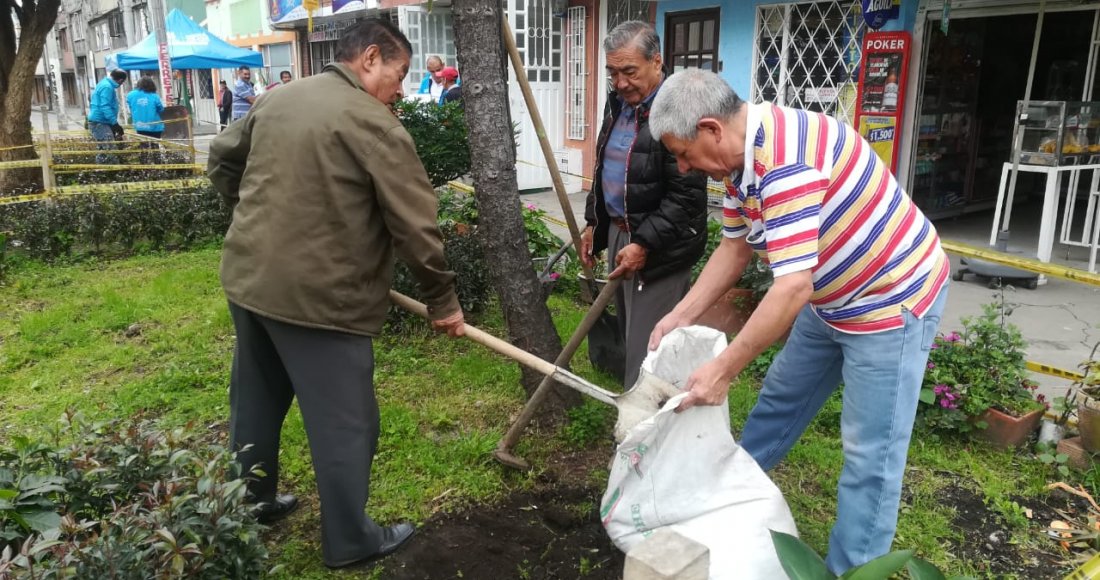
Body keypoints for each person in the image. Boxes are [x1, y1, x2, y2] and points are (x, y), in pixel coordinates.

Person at [645, 68, 950, 574]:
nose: (682, 168)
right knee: (778, 403)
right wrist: (678, 315)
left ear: (711, 129)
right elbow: (736, 247)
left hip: (889, 302)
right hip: (829, 298)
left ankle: (852, 571)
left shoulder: (786, 164)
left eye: (682, 153)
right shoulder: (739, 164)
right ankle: (722, 507)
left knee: (869, 456)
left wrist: (723, 369)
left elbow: (791, 287)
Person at [207, 18, 466, 569]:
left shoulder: (279, 98)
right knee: (346, 423)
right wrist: (442, 301)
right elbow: (417, 228)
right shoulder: (374, 125)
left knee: (255, 398)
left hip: (250, 279)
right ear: (370, 58)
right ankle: (351, 539)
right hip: (322, 301)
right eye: (398, 75)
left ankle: (248, 502)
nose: (399, 89)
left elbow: (223, 160)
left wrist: (253, 221)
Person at [578, 21, 708, 389]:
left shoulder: (681, 110)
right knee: (630, 332)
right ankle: (643, 413)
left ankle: (648, 433)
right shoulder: (618, 102)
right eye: (613, 72)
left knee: (649, 348)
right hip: (623, 236)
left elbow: (687, 197)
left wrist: (645, 244)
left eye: (629, 72)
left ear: (657, 61)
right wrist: (593, 222)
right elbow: (606, 164)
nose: (620, 83)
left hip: (659, 247)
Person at [88, 69, 128, 163]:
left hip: (100, 121)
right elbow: (105, 106)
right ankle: (114, 171)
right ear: (120, 80)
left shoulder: (104, 83)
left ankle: (102, 172)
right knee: (110, 149)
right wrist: (115, 124)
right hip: (100, 122)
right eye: (122, 82)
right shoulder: (107, 87)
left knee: (103, 149)